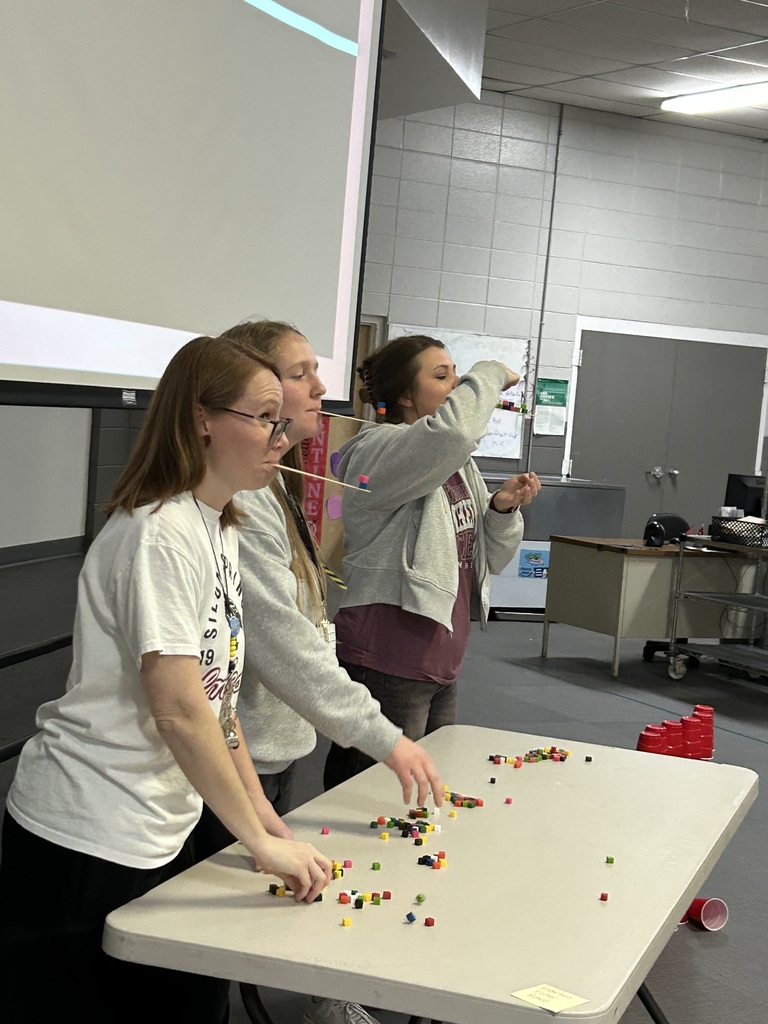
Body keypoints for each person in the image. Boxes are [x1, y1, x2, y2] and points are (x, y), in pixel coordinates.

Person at [0, 336, 332, 1024]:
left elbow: (220, 707)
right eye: (266, 417)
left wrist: (270, 826)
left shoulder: (221, 526)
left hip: (157, 824)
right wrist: (258, 840)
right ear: (203, 419)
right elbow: (180, 709)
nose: (283, 435)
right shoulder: (159, 532)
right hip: (87, 829)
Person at [200, 320, 444, 1024]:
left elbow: (296, 620)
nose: (321, 386)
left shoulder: (272, 484)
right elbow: (281, 644)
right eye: (302, 372)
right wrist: (381, 735)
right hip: (231, 744)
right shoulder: (236, 502)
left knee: (250, 899)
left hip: (263, 742)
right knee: (212, 932)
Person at [324, 335, 541, 790]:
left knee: (417, 796)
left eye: (457, 373)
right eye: (442, 376)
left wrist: (501, 510)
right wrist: (490, 372)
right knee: (368, 797)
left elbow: (490, 558)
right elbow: (456, 431)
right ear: (405, 395)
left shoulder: (457, 465)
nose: (457, 383)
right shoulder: (376, 450)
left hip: (440, 655)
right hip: (391, 653)